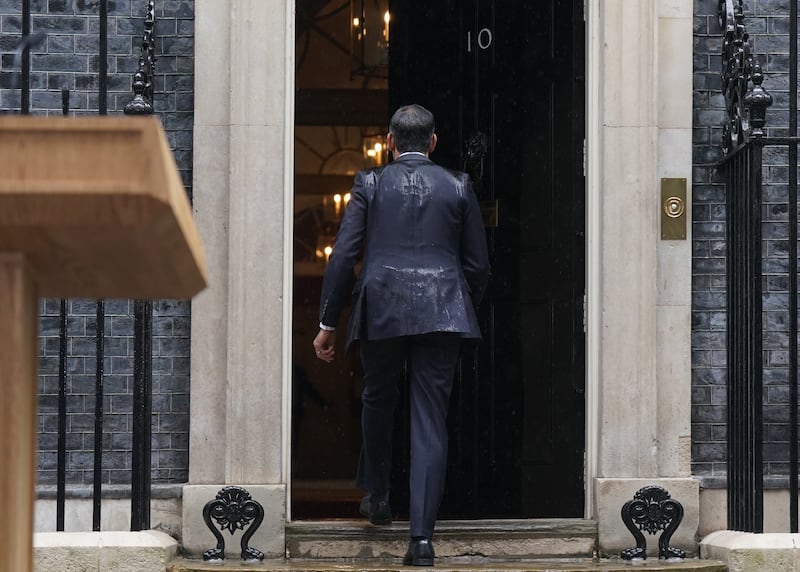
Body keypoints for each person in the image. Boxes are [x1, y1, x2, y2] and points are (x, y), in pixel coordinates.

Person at [312, 104, 490, 566]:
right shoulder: (458, 185)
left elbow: (343, 254)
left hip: (383, 308)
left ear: (390, 143)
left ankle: (378, 495)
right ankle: (422, 541)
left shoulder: (369, 182)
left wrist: (328, 321)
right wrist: (460, 300)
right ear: (433, 143)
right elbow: (477, 265)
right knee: (429, 416)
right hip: (444, 309)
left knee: (377, 396)